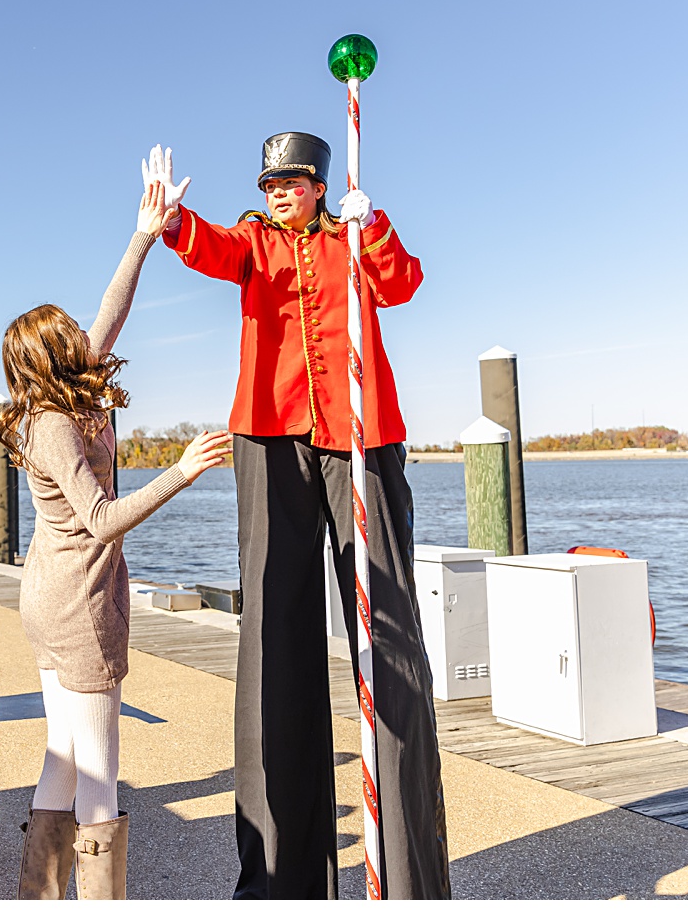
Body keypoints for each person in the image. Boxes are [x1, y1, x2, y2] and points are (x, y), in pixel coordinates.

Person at [156, 135, 450, 898]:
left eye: (292, 182)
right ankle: (284, 881)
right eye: (270, 182)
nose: (280, 191)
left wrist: (374, 224)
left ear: (320, 186)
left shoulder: (352, 235)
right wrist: (170, 220)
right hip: (269, 435)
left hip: (361, 436)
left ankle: (412, 878)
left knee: (389, 636)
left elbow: (403, 284)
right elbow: (210, 249)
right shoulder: (253, 239)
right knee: (275, 638)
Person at [0, 177, 232, 900]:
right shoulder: (56, 424)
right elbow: (100, 520)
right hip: (78, 602)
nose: (82, 335)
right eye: (67, 335)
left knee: (64, 755)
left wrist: (144, 232)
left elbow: (112, 309)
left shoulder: (64, 394)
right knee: (98, 770)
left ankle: (37, 895)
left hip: (49, 594)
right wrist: (181, 472)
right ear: (50, 355)